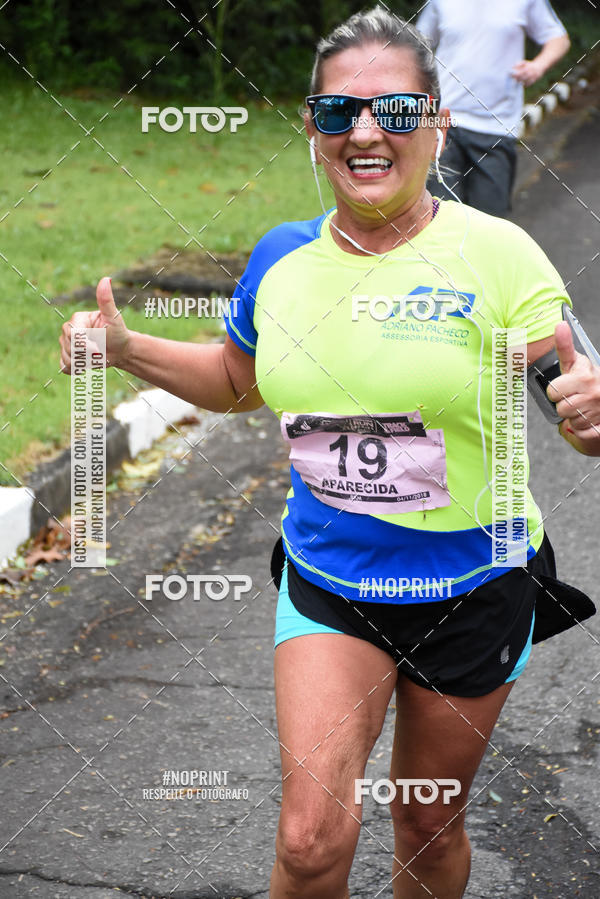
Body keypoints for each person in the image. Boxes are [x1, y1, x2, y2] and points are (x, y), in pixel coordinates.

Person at [59, 8, 599, 897]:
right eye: (339, 111)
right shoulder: (281, 259)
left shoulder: (500, 254)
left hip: (478, 580)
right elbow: (239, 377)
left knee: (426, 821)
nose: (365, 131)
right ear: (311, 130)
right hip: (333, 577)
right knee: (309, 839)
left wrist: (590, 415)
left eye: (394, 109)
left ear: (438, 124)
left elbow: (573, 399)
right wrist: (127, 349)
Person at [417, 0, 570, 216]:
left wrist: (538, 66)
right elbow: (417, 46)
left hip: (496, 126)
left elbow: (559, 39)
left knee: (490, 220)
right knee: (440, 218)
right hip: (445, 122)